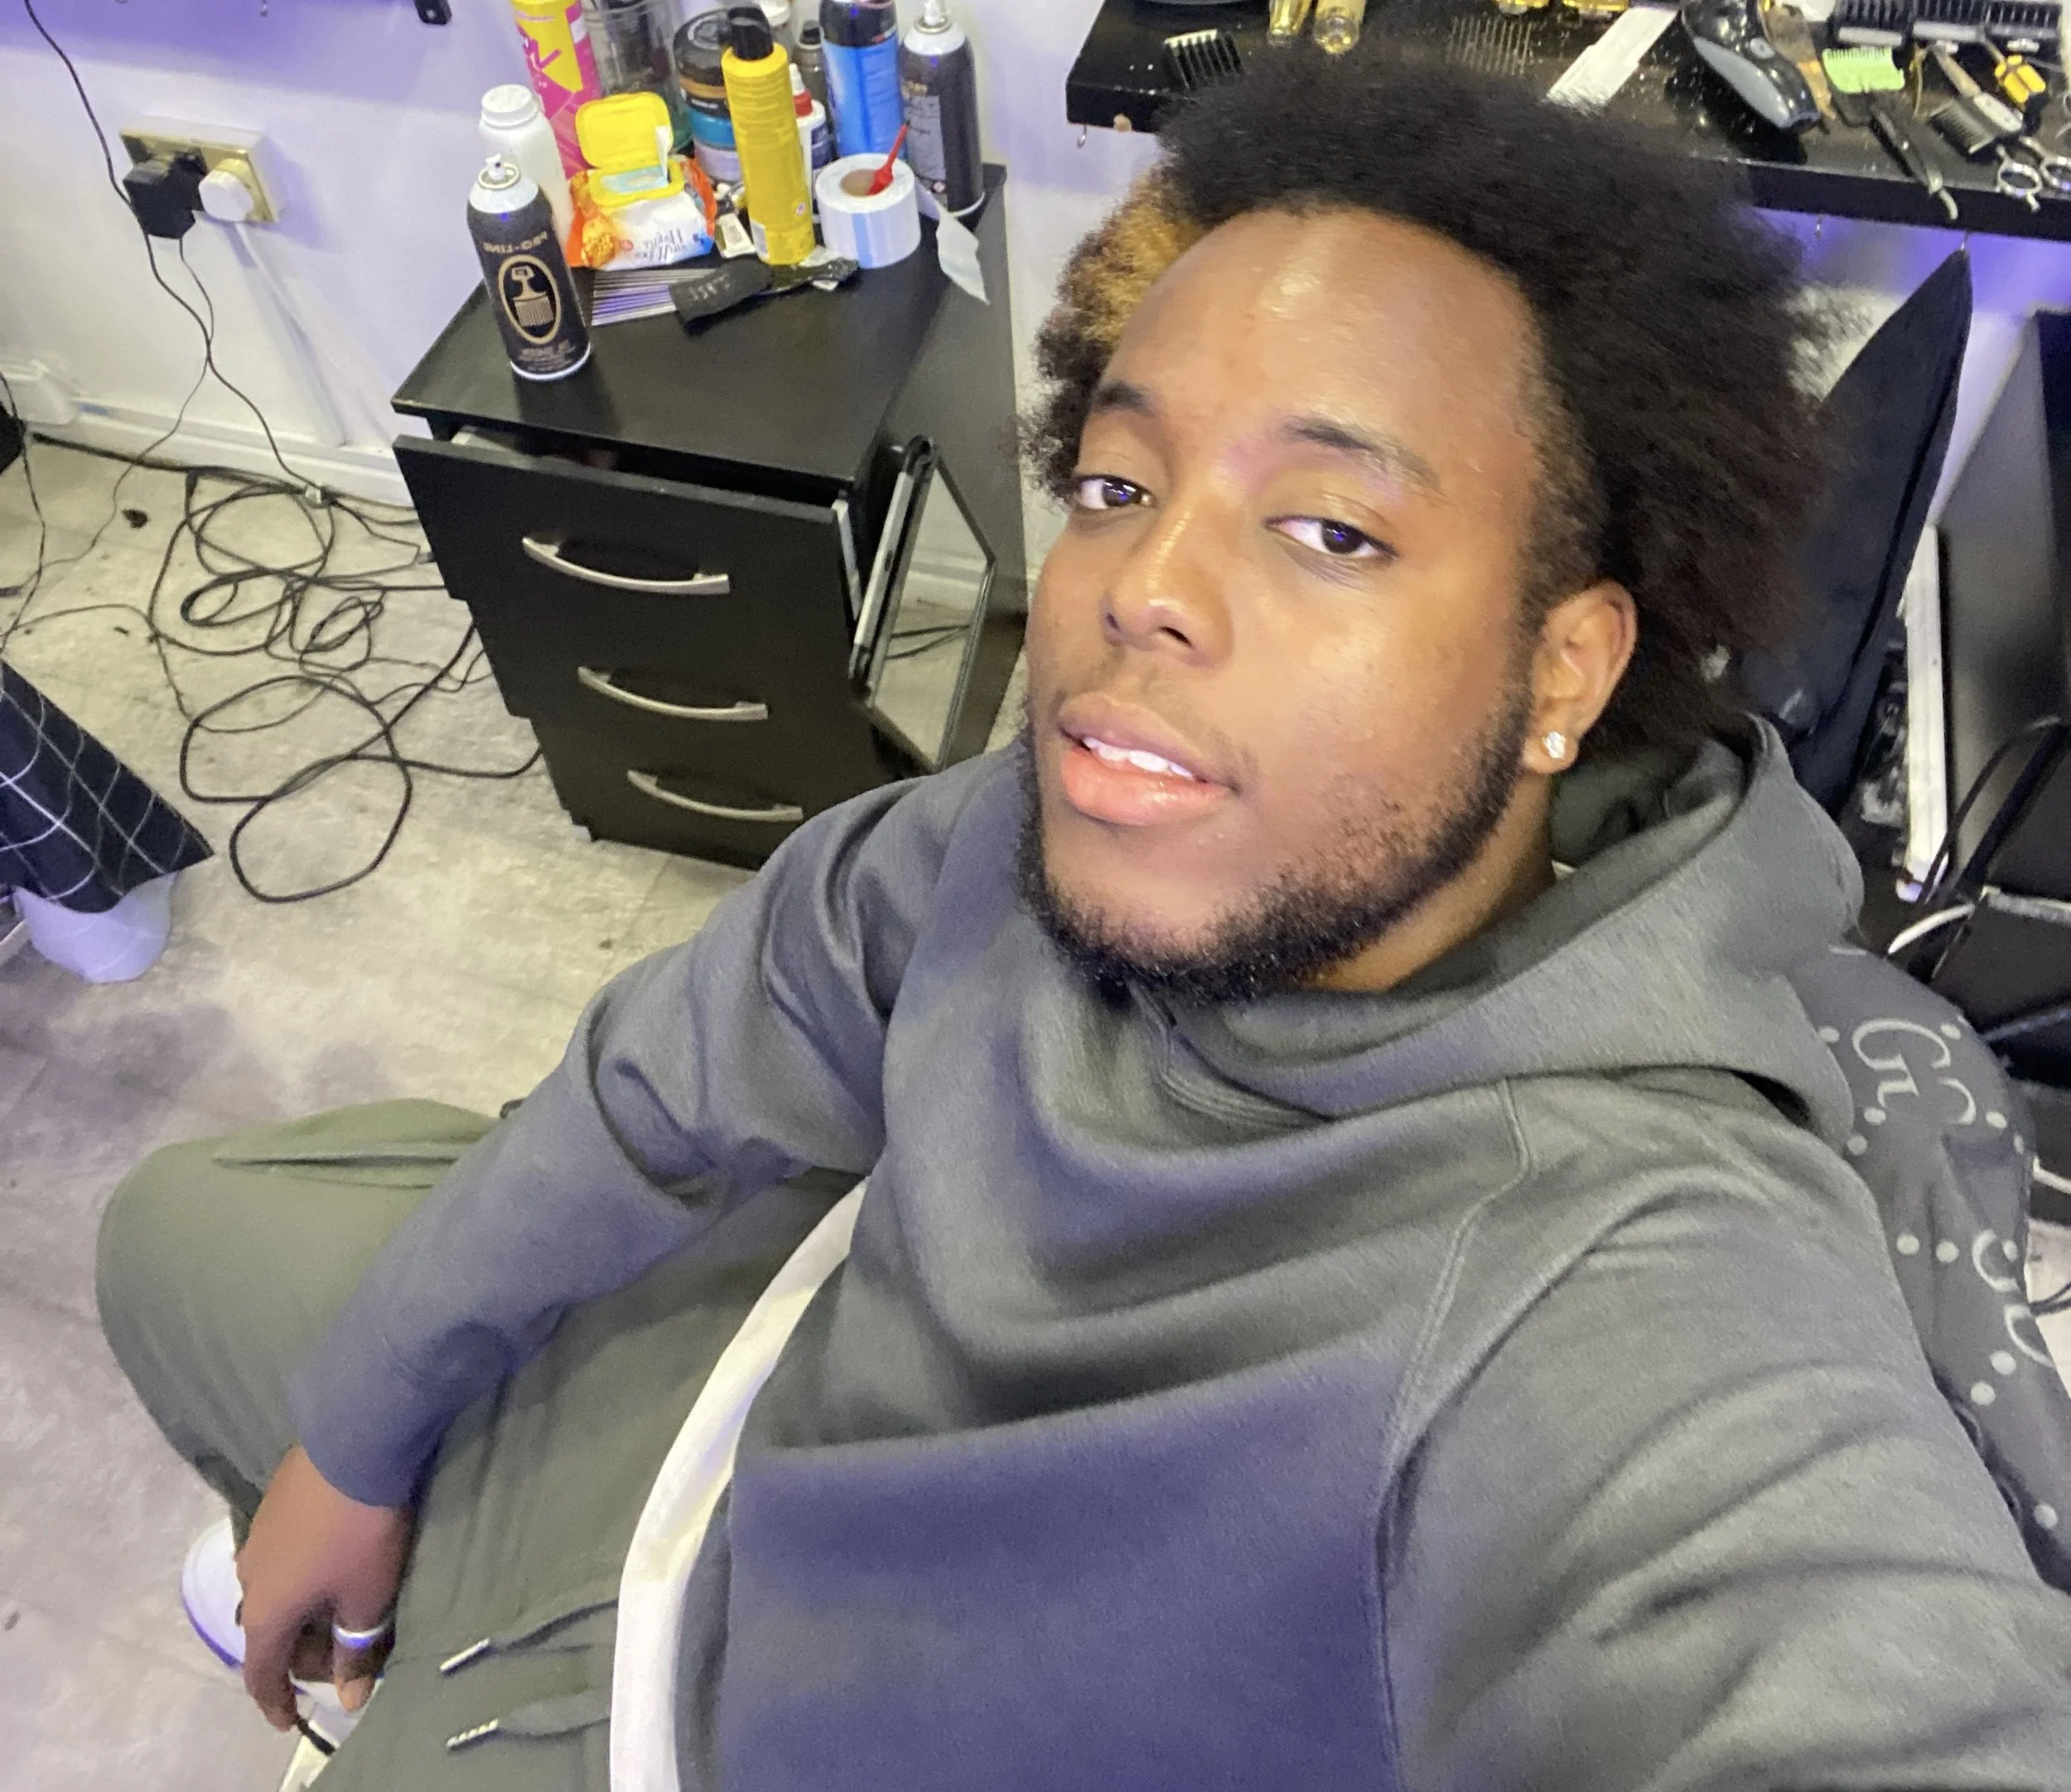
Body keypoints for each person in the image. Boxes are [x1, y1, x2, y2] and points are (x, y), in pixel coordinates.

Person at [99, 45, 2071, 1792]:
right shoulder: (1043, 826)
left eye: (1329, 528)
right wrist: (354, 1442)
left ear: (1564, 666)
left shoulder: (1617, 1301)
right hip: (736, 1430)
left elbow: (1820, 1649)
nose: (1142, 592)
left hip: (728, 1735)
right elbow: (673, 1060)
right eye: (1122, 483)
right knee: (167, 1228)